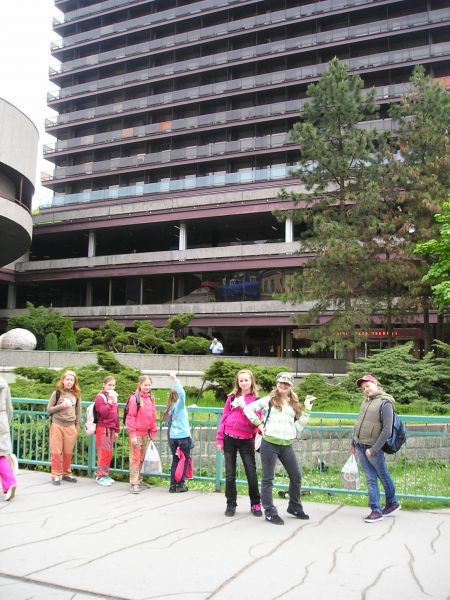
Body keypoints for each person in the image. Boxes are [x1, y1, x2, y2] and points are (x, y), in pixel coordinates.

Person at [244, 372, 314, 525]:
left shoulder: (293, 403)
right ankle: (269, 511)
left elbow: (298, 427)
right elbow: (248, 409)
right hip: (269, 443)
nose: (283, 385)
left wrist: (307, 409)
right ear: (277, 383)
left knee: (296, 476)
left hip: (286, 444)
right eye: (281, 383)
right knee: (268, 478)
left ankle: (294, 506)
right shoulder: (268, 400)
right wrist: (259, 424)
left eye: (287, 384)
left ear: (291, 386)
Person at [351, 374, 401, 523]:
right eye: (363, 388)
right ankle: (377, 509)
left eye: (368, 385)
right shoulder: (365, 402)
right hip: (360, 445)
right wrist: (353, 442)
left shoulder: (385, 403)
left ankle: (389, 504)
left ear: (375, 383)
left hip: (373, 448)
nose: (366, 389)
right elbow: (358, 423)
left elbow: (387, 430)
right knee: (370, 478)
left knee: (383, 476)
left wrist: (373, 449)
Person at [217, 369, 262, 517]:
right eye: (241, 380)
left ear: (251, 381)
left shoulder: (256, 400)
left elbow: (256, 422)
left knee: (251, 472)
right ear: (238, 382)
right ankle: (231, 503)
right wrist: (220, 439)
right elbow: (224, 417)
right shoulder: (231, 397)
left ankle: (255, 503)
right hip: (229, 438)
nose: (243, 383)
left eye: (246, 380)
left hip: (246, 440)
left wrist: (244, 407)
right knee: (230, 474)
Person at [47, 370, 81, 485]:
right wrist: (61, 406)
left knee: (68, 451)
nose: (69, 382)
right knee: (56, 451)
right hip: (57, 425)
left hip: (71, 426)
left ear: (74, 382)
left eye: (72, 380)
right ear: (63, 380)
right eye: (67, 379)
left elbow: (78, 411)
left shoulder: (76, 395)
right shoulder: (56, 393)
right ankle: (56, 475)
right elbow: (49, 409)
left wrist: (77, 427)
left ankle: (66, 473)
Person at [125, 375, 158, 494]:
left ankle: (138, 480)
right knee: (135, 458)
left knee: (142, 458)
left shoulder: (150, 398)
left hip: (145, 433)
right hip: (137, 433)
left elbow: (153, 416)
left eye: (149, 385)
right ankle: (134, 483)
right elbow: (131, 417)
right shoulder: (134, 399)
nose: (147, 387)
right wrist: (132, 435)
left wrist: (153, 431)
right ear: (139, 385)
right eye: (145, 385)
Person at [162, 372, 192, 493]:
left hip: (173, 437)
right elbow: (182, 394)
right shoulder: (179, 405)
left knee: (176, 460)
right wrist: (175, 379)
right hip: (183, 437)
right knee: (184, 460)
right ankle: (181, 485)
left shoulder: (170, 406)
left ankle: (172, 486)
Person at [94, 376, 120, 487]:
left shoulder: (114, 397)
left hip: (111, 428)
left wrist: (117, 429)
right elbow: (103, 413)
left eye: (113, 385)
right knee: (103, 452)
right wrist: (109, 402)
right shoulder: (100, 398)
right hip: (103, 428)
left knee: (108, 453)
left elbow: (116, 414)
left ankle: (105, 474)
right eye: (109, 385)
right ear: (104, 385)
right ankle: (100, 476)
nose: (112, 387)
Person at [0, 377, 16, 501]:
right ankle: (9, 484)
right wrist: (6, 422)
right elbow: (9, 408)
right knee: (1, 455)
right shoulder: (3, 383)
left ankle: (9, 483)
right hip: (2, 420)